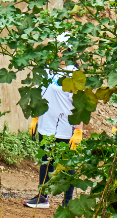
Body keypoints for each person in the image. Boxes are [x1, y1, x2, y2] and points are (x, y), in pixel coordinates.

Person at [24, 71, 83, 208]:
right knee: (45, 161)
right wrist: (35, 117)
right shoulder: (46, 70)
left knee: (67, 165)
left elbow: (80, 105)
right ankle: (42, 197)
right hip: (46, 127)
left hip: (65, 129)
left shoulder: (73, 73)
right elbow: (41, 95)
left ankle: (67, 202)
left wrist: (78, 130)